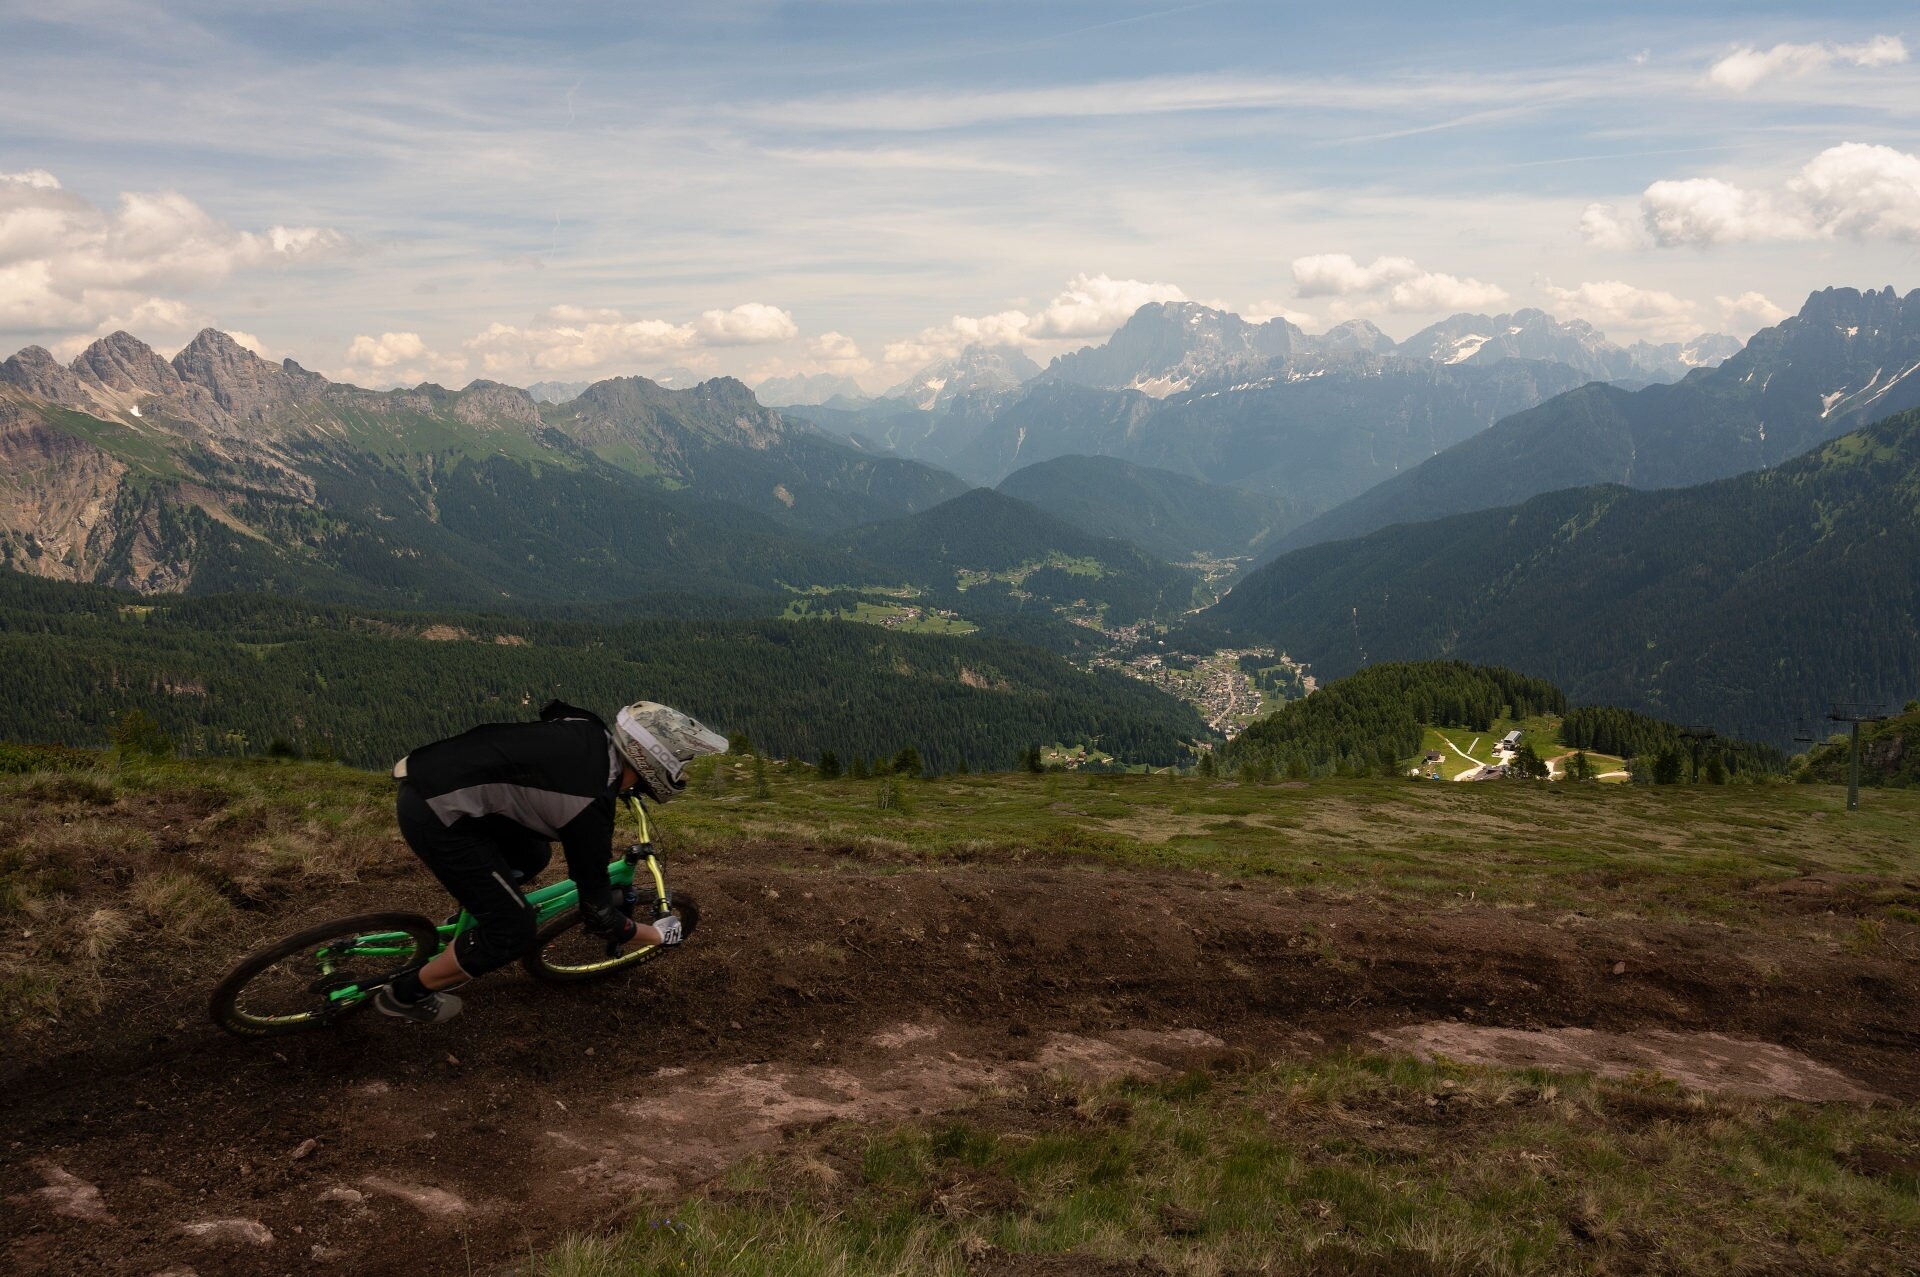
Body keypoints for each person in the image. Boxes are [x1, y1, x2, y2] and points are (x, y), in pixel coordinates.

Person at [377, 698, 727, 1023]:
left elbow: (552, 710)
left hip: (433, 773)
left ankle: (477, 915)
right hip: (438, 815)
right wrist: (657, 936)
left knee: (533, 855)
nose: (682, 769)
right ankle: (406, 995)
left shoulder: (589, 726)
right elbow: (599, 915)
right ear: (654, 761)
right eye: (681, 762)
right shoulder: (590, 810)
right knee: (513, 931)